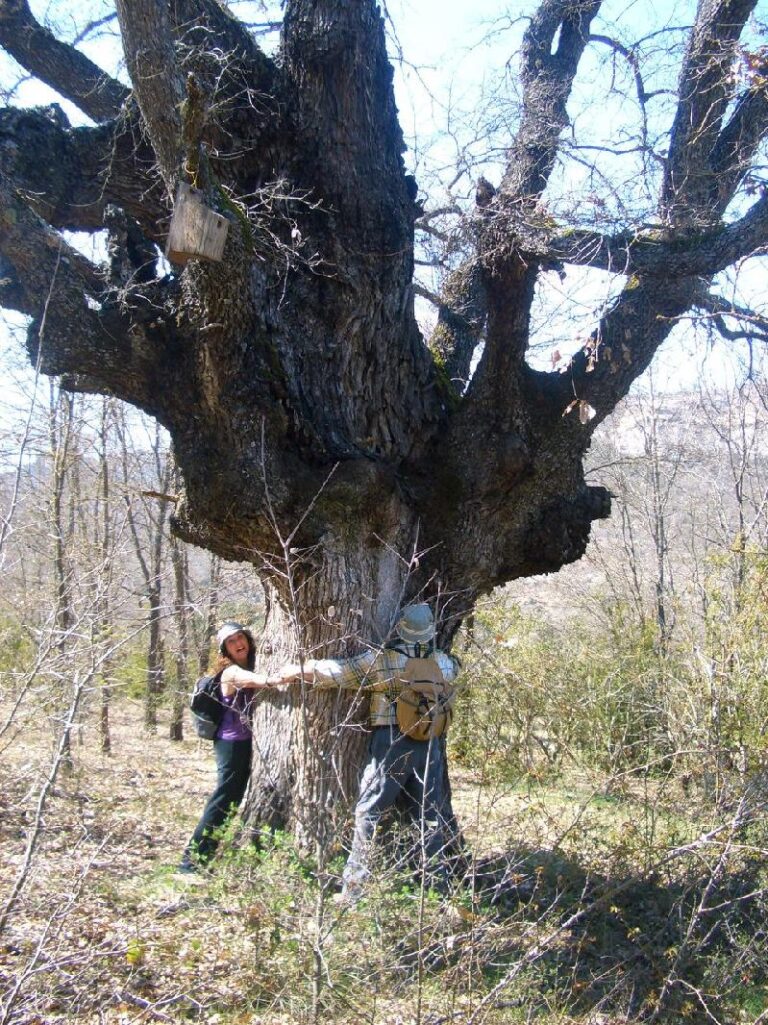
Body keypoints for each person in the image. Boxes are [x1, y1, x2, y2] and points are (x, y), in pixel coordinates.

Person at [290, 603, 460, 903]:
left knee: (369, 811)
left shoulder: (384, 662)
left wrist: (304, 670)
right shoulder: (442, 663)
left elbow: (340, 673)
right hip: (431, 743)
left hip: (391, 741)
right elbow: (456, 668)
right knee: (428, 815)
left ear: (401, 628)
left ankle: (354, 889)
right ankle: (437, 889)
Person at [178, 621, 285, 874]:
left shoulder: (252, 663)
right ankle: (191, 862)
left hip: (247, 744)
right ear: (225, 650)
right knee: (224, 799)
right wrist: (287, 676)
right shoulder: (232, 673)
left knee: (232, 799)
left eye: (240, 637)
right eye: (231, 641)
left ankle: (202, 858)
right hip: (231, 744)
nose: (238, 644)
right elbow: (264, 680)